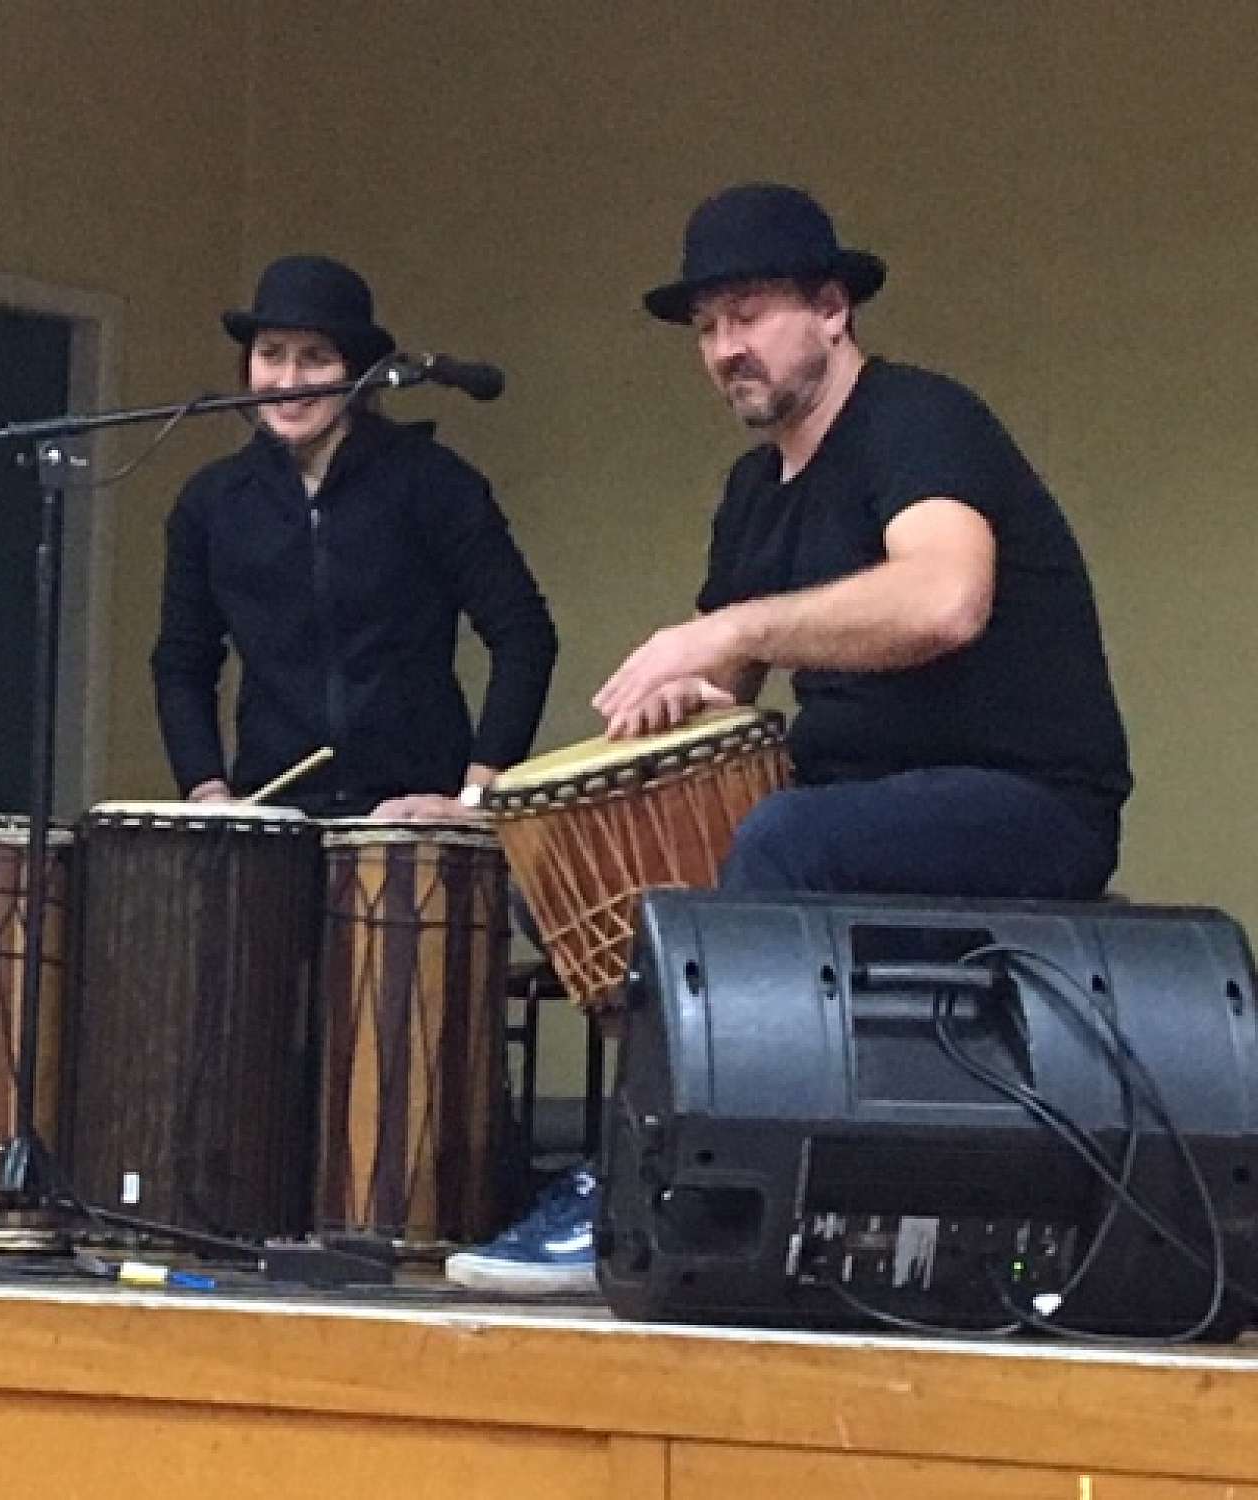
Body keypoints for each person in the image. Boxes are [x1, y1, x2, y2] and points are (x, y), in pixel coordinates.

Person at [446, 182, 1131, 1294]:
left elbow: (943, 600)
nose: (725, 348)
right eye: (706, 327)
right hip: (842, 800)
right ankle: (641, 1165)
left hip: (1024, 798)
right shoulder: (752, 491)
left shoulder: (919, 420)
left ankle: (665, 1183)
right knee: (578, 874)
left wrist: (732, 628)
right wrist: (549, 789)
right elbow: (714, 697)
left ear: (830, 309)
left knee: (781, 842)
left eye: (749, 313)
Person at [151, 253, 557, 818]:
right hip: (277, 816)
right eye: (271, 354)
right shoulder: (211, 502)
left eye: (316, 358)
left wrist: (475, 793)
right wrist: (208, 793)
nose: (288, 381)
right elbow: (182, 661)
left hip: (415, 811)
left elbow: (523, 633)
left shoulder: (433, 481)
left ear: (359, 370)